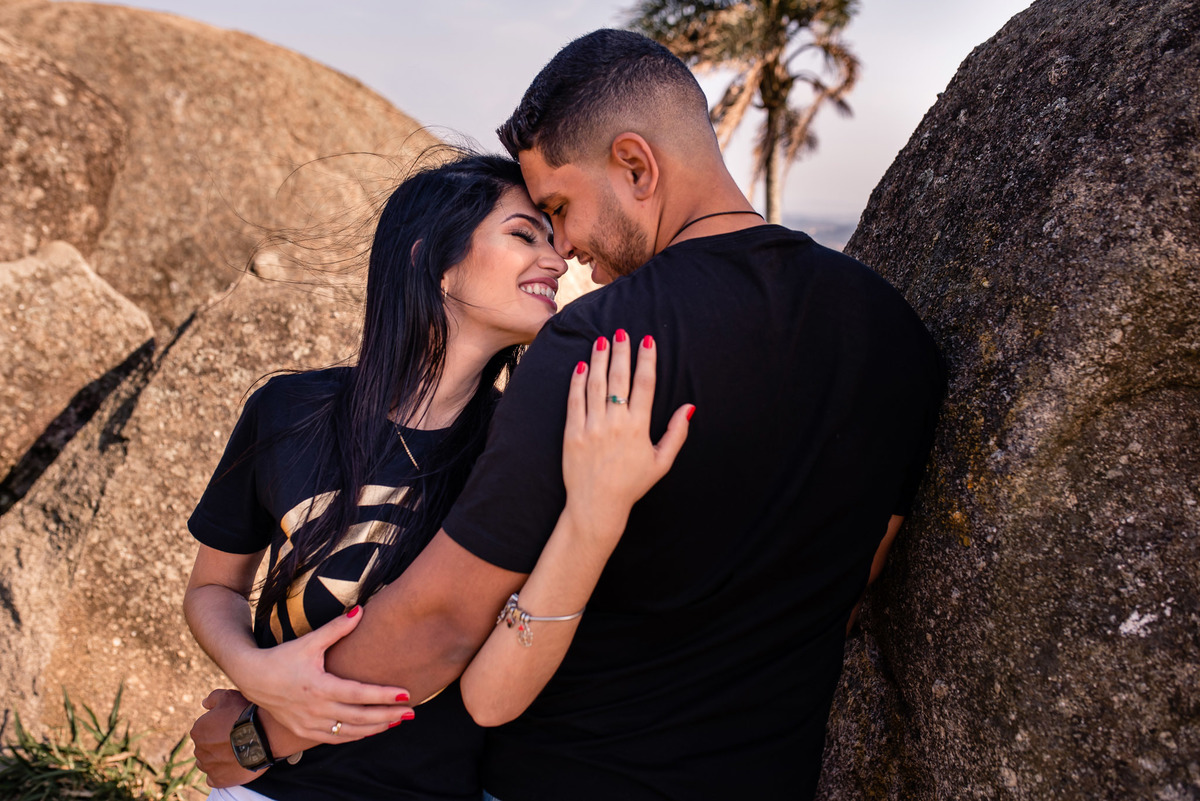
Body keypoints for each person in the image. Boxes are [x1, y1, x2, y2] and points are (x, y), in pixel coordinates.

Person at [192, 30, 945, 800]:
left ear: (635, 165)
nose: (571, 250)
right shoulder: (896, 338)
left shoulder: (603, 345)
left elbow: (444, 621)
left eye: (559, 208)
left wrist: (264, 733)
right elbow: (859, 582)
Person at [184, 151, 692, 800]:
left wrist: (261, 732)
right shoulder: (287, 410)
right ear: (433, 260)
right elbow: (213, 587)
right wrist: (255, 673)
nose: (557, 259)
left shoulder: (522, 454)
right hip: (256, 791)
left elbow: (467, 649)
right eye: (523, 234)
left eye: (553, 237)